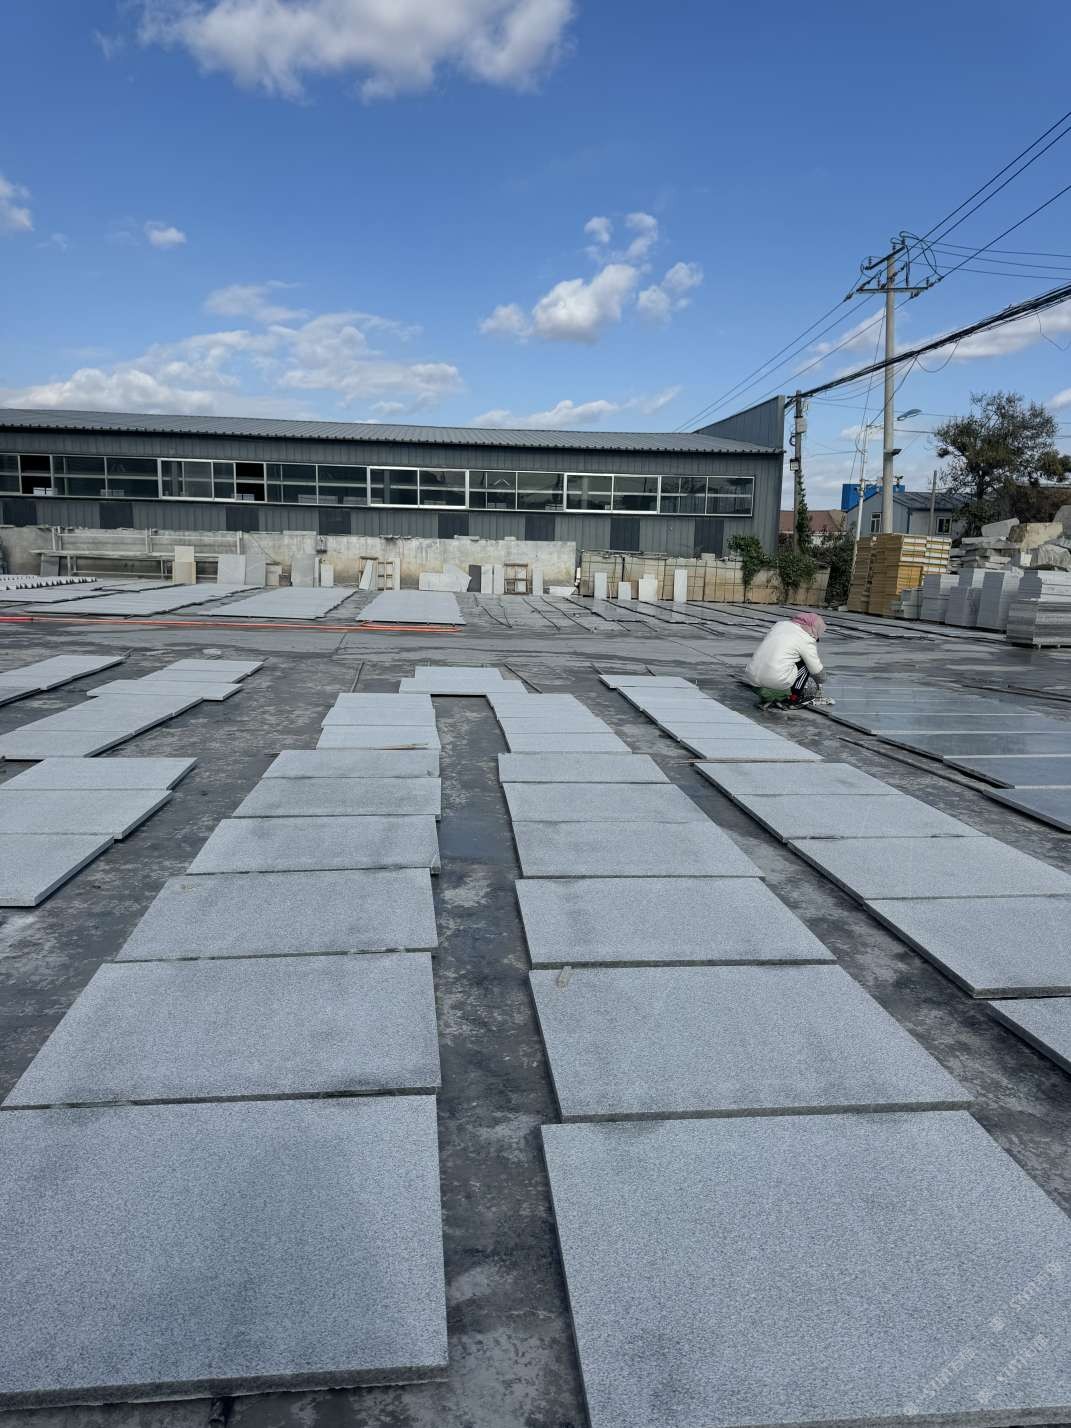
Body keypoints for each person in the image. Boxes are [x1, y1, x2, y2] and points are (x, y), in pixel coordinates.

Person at [743, 612, 828, 708]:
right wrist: (821, 681)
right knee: (807, 663)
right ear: (814, 628)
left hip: (752, 677)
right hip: (775, 680)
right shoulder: (806, 638)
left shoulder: (780, 625)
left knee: (783, 656)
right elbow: (816, 670)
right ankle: (794, 697)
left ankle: (770, 693)